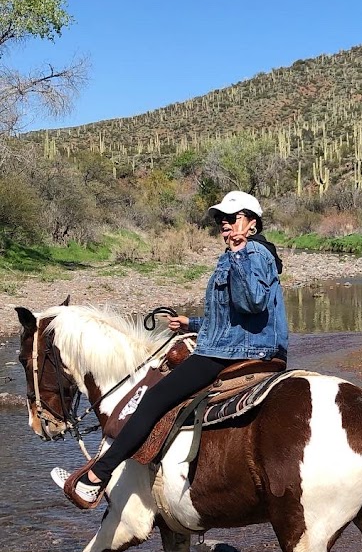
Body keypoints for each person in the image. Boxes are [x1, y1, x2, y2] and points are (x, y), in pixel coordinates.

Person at [52, 191, 288, 507]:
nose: (225, 225)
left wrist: (239, 253)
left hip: (235, 352)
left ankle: (96, 478)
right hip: (234, 344)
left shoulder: (253, 254)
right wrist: (190, 323)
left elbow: (251, 302)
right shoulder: (242, 256)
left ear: (253, 223)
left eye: (232, 218)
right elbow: (232, 319)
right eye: (221, 220)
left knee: (154, 397)